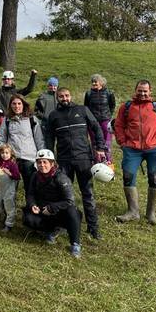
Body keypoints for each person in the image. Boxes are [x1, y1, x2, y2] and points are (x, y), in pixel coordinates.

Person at [46, 87, 106, 240]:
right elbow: (49, 139)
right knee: (61, 194)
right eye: (61, 96)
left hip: (83, 159)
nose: (64, 98)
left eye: (66, 95)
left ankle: (93, 228)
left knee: (88, 194)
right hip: (63, 161)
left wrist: (100, 147)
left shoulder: (83, 110)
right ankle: (60, 226)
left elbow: (96, 128)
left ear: (70, 96)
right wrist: (49, 159)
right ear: (57, 98)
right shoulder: (53, 115)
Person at [113, 80, 156, 225]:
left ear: (150, 92)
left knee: (155, 179)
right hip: (132, 149)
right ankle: (133, 212)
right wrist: (122, 143)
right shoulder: (126, 107)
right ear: (135, 90)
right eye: (140, 90)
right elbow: (118, 125)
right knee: (128, 176)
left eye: (145, 91)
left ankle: (150, 214)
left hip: (155, 149)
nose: (142, 93)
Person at [23, 149, 83, 258]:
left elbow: (69, 200)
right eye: (39, 162)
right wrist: (32, 205)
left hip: (59, 211)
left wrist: (51, 208)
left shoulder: (61, 178)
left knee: (73, 211)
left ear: (52, 163)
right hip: (42, 209)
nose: (42, 165)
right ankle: (50, 231)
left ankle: (75, 244)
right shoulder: (35, 176)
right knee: (29, 219)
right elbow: (30, 194)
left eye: (45, 162)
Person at [0, 94, 44, 194]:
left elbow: (39, 139)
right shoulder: (7, 120)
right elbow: (1, 138)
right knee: (10, 189)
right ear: (10, 105)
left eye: (19, 103)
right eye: (14, 104)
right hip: (12, 159)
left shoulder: (32, 119)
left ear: (23, 104)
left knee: (30, 188)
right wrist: (1, 156)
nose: (16, 106)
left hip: (29, 158)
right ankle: (9, 209)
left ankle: (30, 208)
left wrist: (41, 157)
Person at [84, 74, 116, 166]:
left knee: (107, 141)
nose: (94, 83)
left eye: (95, 81)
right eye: (92, 82)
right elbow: (86, 107)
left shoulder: (109, 93)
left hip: (105, 120)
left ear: (101, 83)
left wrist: (109, 115)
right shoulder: (88, 93)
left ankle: (108, 161)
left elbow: (112, 105)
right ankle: (97, 162)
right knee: (95, 141)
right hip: (93, 121)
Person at [35, 77, 59, 148]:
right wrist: (45, 118)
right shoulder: (43, 97)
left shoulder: (59, 97)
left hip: (58, 124)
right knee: (48, 144)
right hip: (46, 125)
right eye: (51, 85)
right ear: (48, 86)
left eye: (55, 86)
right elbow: (37, 111)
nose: (53, 87)